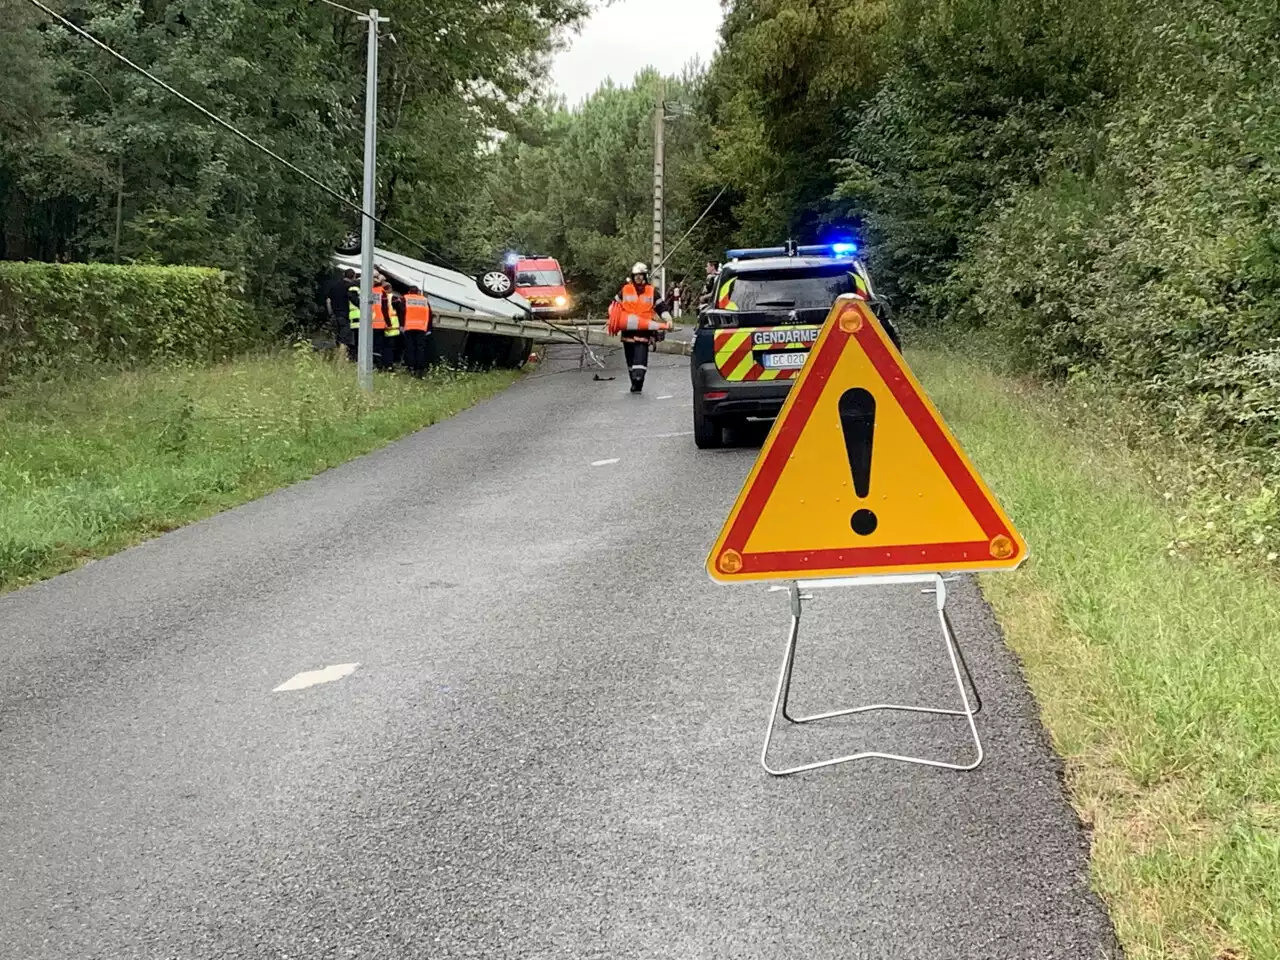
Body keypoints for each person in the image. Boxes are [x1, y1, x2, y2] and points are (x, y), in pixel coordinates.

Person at [610, 262, 673, 393]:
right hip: (628, 332)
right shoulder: (625, 290)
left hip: (644, 332)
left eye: (640, 275)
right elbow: (614, 306)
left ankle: (639, 380)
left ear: (645, 276)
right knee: (630, 360)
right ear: (632, 277)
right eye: (636, 275)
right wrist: (613, 317)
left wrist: (668, 319)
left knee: (640, 360)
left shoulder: (651, 291)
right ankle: (634, 382)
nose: (638, 278)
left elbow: (661, 307)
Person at [400, 284, 432, 378]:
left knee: (410, 348)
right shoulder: (424, 300)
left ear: (409, 292)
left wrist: (401, 326)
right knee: (420, 349)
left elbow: (401, 312)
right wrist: (429, 328)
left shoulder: (405, 298)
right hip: (422, 328)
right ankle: (420, 369)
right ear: (418, 292)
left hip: (409, 327)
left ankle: (411, 368)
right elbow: (430, 314)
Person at [370, 271, 398, 370]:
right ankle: (379, 365)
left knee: (372, 345)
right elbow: (385, 309)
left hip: (369, 323)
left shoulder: (369, 292)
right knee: (381, 346)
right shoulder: (384, 294)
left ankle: (373, 364)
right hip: (382, 324)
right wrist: (388, 323)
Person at [345, 271, 362, 362]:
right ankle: (355, 358)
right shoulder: (355, 287)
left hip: (355, 318)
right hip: (358, 318)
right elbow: (354, 299)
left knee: (355, 340)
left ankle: (354, 358)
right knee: (357, 340)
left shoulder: (355, 287)